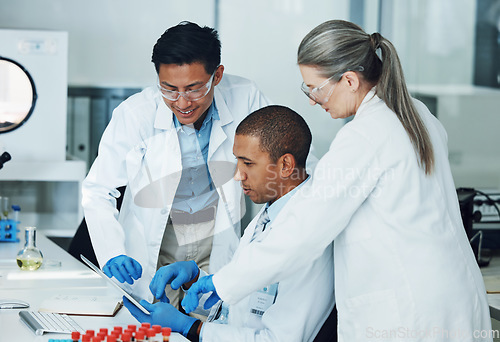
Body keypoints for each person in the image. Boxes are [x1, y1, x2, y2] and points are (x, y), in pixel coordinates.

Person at [183, 20, 492, 341]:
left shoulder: (364, 137)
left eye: (315, 88)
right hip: (451, 298)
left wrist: (222, 284)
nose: (312, 100)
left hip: (410, 313)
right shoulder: (416, 114)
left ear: (349, 80)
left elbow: (303, 230)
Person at [81, 21, 270, 307]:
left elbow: (287, 156)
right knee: (157, 323)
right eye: (169, 89)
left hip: (215, 236)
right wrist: (111, 251)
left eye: (194, 89)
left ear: (217, 76)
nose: (182, 102)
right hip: (159, 240)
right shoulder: (136, 114)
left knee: (208, 323)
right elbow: (98, 189)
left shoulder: (246, 97)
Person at [123, 105, 335, 342]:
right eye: (237, 162)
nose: (237, 175)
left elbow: (279, 339)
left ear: (285, 165)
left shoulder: (308, 234)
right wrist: (197, 280)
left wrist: (191, 328)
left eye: (248, 163)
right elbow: (240, 310)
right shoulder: (266, 218)